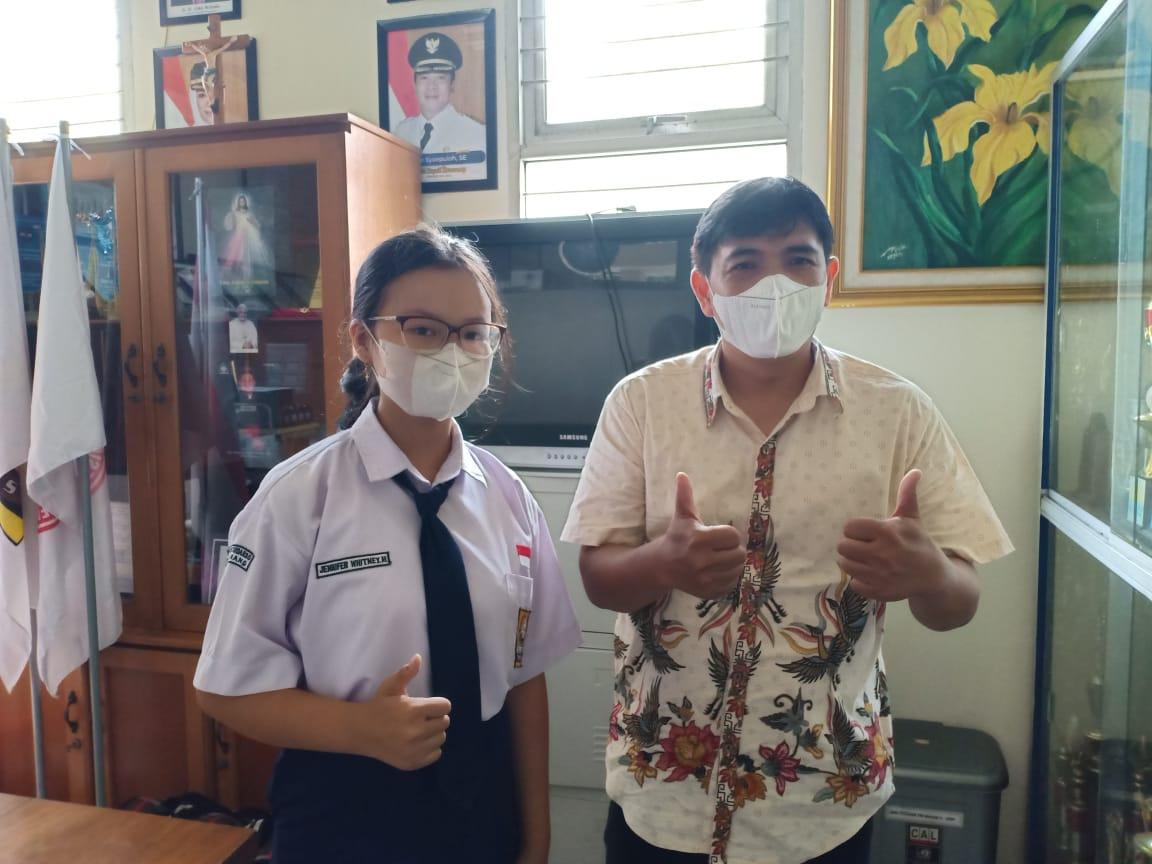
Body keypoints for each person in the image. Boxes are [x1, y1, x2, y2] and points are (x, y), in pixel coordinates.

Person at [561, 177, 1013, 864]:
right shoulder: (640, 404)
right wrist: (662, 563)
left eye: (798, 261)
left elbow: (959, 603)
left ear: (828, 278)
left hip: (822, 800)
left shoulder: (898, 411)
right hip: (665, 789)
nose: (775, 284)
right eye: (745, 263)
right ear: (704, 289)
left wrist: (926, 574)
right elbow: (599, 579)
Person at [194, 226, 582, 864]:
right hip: (345, 805)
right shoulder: (299, 496)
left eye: (472, 333)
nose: (451, 351)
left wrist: (536, 838)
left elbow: (524, 678)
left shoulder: (508, 498)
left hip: (484, 804)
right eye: (423, 329)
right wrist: (360, 729)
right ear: (363, 340)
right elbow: (222, 687)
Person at [393, 31, 488, 183]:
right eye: (424, 78)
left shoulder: (476, 134)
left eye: (441, 78)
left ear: (452, 84)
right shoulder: (401, 132)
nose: (432, 86)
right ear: (415, 84)